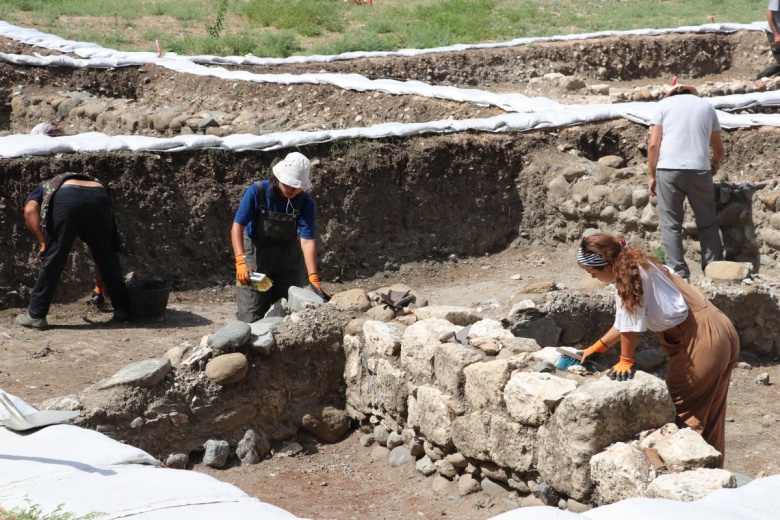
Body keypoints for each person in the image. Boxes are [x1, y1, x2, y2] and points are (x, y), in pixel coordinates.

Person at [577, 233, 739, 465]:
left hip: (700, 341)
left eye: (592, 271)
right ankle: (716, 483)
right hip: (720, 328)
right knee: (710, 413)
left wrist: (626, 360)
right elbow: (623, 321)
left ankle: (687, 488)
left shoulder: (629, 278)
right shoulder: (641, 264)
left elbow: (629, 326)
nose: (591, 275)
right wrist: (597, 347)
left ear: (607, 265)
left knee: (683, 418)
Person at [15, 172, 130, 329]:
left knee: (54, 257)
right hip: (100, 195)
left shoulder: (45, 186)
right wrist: (100, 288)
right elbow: (99, 255)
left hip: (66, 198)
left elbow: (29, 211)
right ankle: (122, 310)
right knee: (106, 255)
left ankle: (36, 315)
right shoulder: (91, 181)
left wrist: (43, 243)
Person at [231, 152, 329, 323]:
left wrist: (313, 276)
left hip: (287, 259)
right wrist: (240, 260)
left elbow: (306, 241)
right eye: (289, 185)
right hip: (257, 258)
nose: (293, 190)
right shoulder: (258, 191)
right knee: (251, 314)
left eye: (297, 187)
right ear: (278, 178)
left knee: (286, 311)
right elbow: (237, 227)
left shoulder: (305, 202)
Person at [647, 84, 724, 280]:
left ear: (671, 94)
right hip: (699, 168)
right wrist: (713, 163)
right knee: (707, 221)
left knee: (671, 224)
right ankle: (714, 271)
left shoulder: (663, 105)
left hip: (668, 169)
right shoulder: (706, 106)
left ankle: (679, 275)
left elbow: (654, 144)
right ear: (691, 92)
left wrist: (652, 175)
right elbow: (718, 147)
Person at [757, 1, 780, 79]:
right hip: (775, 33)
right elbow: (769, 14)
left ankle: (776, 81)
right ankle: (760, 77)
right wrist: (776, 35)